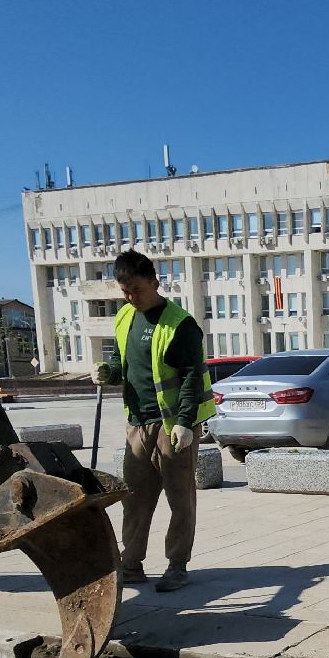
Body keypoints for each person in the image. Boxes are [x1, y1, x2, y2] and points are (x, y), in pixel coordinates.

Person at [94, 250, 214, 593]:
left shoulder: (180, 324)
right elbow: (121, 362)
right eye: (125, 292)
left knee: (180, 498)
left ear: (154, 282)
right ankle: (130, 564)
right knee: (134, 499)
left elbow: (193, 376)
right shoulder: (123, 319)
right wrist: (109, 372)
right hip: (138, 423)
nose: (131, 298)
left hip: (174, 425)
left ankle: (177, 565)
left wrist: (185, 422)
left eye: (136, 291)